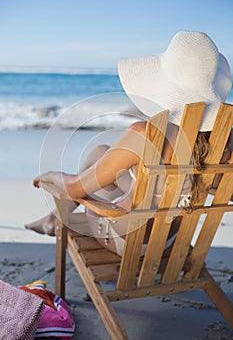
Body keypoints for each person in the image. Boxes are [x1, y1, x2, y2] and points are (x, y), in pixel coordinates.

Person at [25, 31, 232, 255]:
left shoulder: (143, 135)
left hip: (128, 243)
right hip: (173, 241)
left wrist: (50, 176)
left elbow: (74, 187)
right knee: (100, 151)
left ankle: (56, 219)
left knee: (91, 178)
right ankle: (52, 218)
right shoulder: (224, 140)